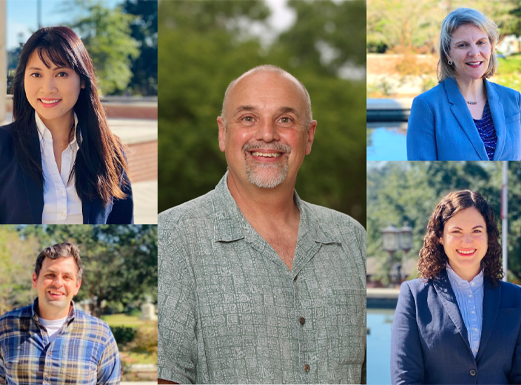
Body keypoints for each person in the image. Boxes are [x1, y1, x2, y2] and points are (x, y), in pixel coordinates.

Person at [157, 65, 366, 384]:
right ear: (222, 133)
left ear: (308, 136)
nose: (267, 134)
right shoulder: (172, 239)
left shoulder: (352, 240)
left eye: (285, 119)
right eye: (248, 118)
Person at [0, 26, 133, 224]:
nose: (47, 88)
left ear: (83, 80)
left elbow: (123, 223)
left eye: (61, 74)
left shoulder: (110, 151)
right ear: (23, 80)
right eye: (36, 74)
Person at [390, 190, 521, 384]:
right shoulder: (414, 296)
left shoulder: (515, 297)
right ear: (440, 237)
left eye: (476, 231)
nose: (467, 241)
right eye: (456, 232)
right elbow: (405, 377)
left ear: (488, 236)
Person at [407, 8, 521, 161]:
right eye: (462, 45)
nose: (474, 52)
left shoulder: (513, 99)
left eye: (481, 42)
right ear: (448, 53)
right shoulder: (427, 106)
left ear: (491, 47)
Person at [0, 242, 120, 384]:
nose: (58, 283)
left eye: (67, 277)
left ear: (77, 286)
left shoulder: (100, 334)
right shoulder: (6, 326)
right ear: (35, 280)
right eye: (50, 275)